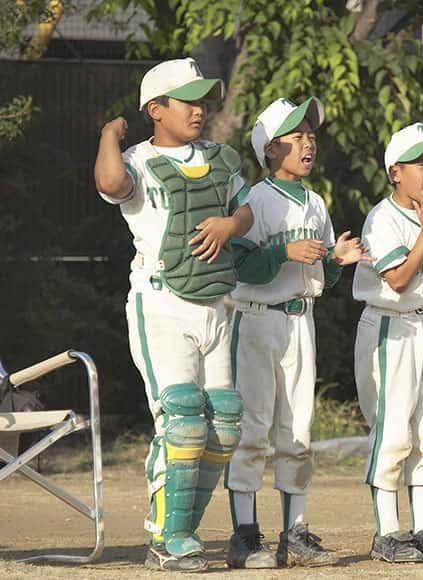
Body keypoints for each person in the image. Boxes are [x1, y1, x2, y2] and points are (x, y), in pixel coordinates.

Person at [93, 57, 253, 572]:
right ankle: (166, 537)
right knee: (182, 418)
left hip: (214, 302)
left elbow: (245, 209)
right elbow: (111, 184)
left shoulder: (219, 158)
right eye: (187, 101)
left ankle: (183, 528)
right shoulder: (137, 160)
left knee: (223, 423)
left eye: (203, 101)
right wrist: (109, 135)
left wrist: (230, 225)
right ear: (156, 109)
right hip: (162, 301)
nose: (199, 109)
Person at [224, 97, 370, 568]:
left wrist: (336, 261)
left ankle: (295, 534)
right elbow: (242, 266)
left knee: (297, 431)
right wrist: (284, 253)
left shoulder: (316, 202)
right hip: (257, 318)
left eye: (310, 134)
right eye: (295, 136)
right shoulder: (254, 200)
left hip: (301, 319)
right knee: (252, 430)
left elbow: (322, 276)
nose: (308, 143)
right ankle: (245, 535)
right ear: (270, 149)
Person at [352, 122, 423, 563]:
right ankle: (388, 532)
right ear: (395, 172)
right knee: (392, 429)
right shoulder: (382, 217)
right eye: (420, 163)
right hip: (388, 326)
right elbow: (396, 279)